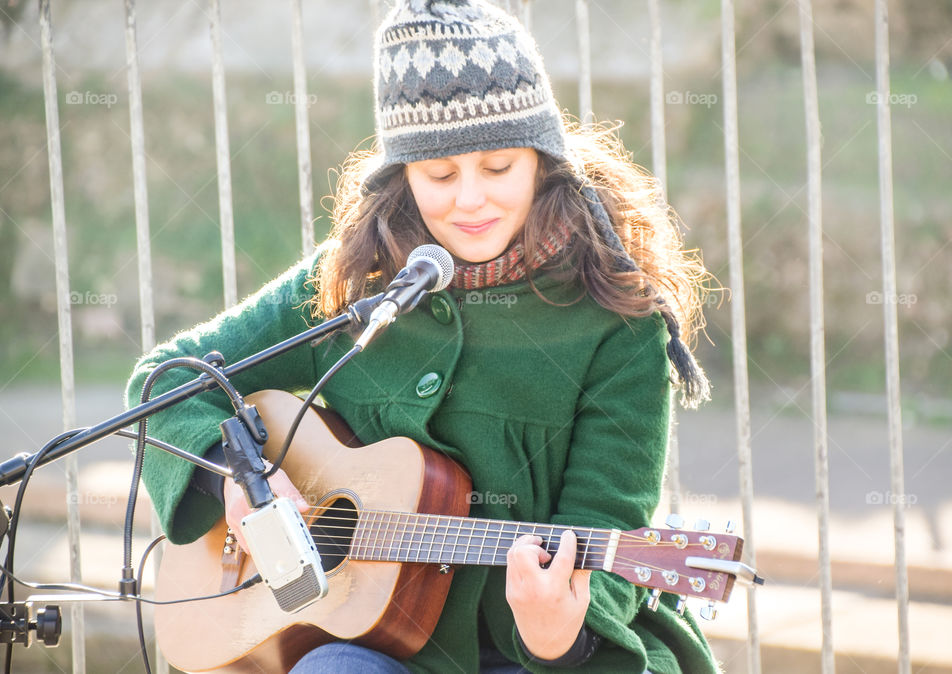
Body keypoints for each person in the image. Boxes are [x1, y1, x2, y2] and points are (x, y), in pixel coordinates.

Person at [126, 1, 720, 672]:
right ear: (402, 176)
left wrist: (560, 633)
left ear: (544, 162)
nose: (470, 200)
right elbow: (170, 376)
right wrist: (238, 478)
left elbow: (608, 529)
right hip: (369, 644)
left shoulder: (618, 321)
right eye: (440, 175)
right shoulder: (351, 285)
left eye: (498, 168)